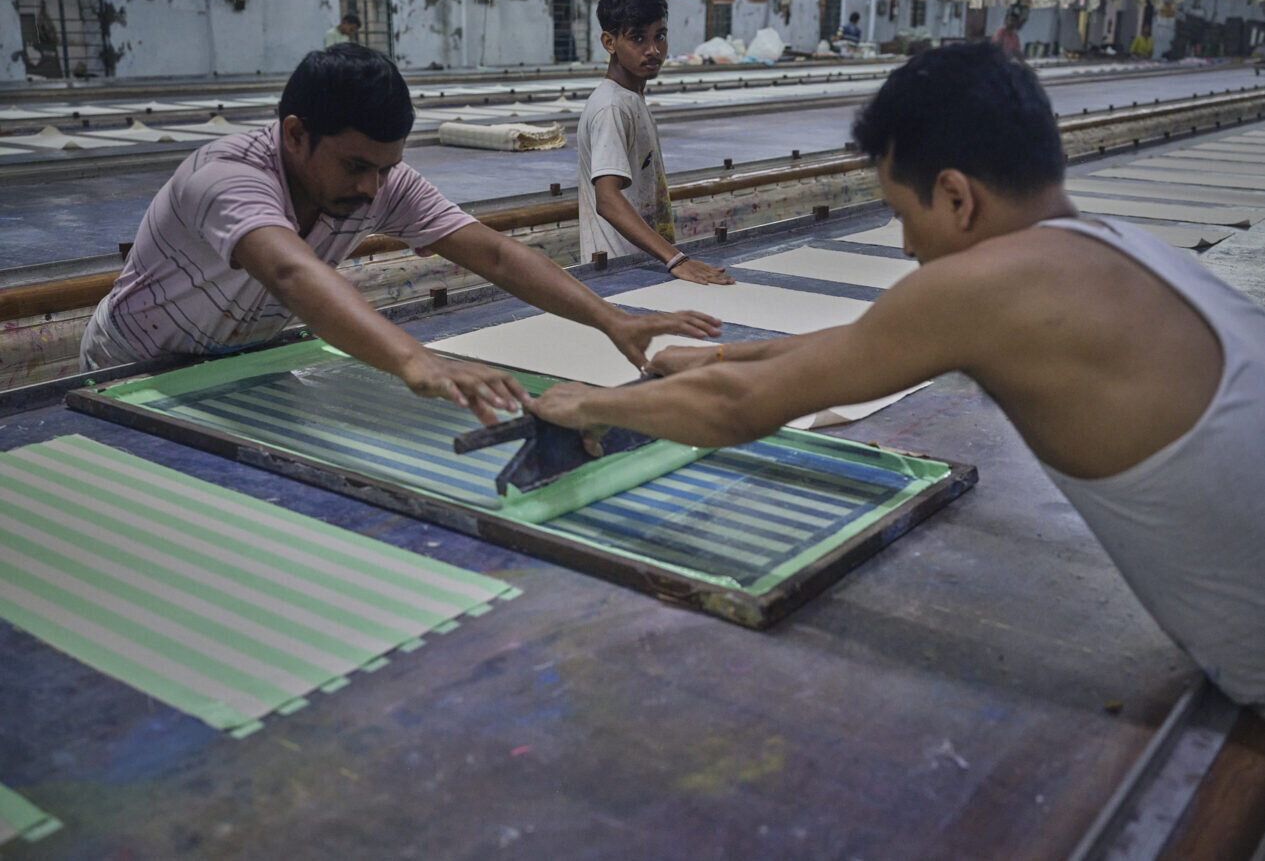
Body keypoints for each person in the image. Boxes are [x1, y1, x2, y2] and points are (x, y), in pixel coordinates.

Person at [529, 43, 1265, 712]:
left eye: (902, 215)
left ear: (956, 196)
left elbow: (738, 411)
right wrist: (719, 357)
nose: (908, 245)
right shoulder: (1109, 246)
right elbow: (863, 346)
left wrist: (589, 405)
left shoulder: (983, 288)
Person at [81, 45, 721, 426]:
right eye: (357, 166)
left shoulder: (377, 179)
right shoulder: (226, 178)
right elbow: (291, 272)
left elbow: (495, 254)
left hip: (242, 361)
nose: (373, 188)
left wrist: (612, 321)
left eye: (386, 168)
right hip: (134, 366)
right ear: (295, 134)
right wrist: (416, 359)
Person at [577, 0, 732, 286]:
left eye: (659, 36)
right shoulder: (612, 107)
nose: (653, 50)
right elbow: (606, 199)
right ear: (609, 42)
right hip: (618, 275)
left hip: (640, 266)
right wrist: (676, 259)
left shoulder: (630, 98)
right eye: (638, 38)